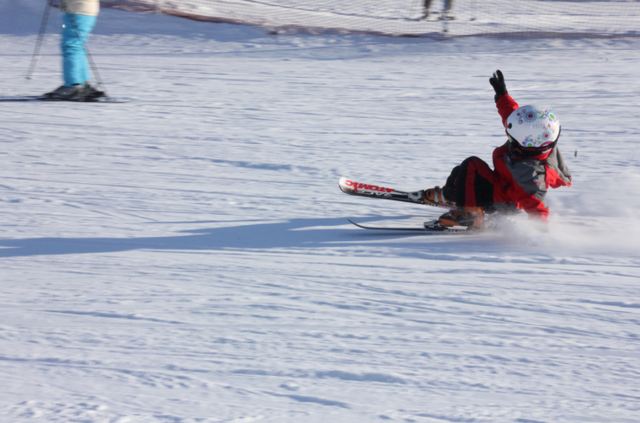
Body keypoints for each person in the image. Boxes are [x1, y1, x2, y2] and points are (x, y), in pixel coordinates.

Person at [410, 70, 572, 229]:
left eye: (511, 137)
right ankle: (450, 196)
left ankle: (470, 215)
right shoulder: (537, 139)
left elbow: (533, 201)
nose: (509, 136)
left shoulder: (530, 172)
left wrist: (540, 229)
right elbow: (511, 116)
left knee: (472, 164)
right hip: (502, 186)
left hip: (503, 203)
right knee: (462, 172)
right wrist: (502, 94)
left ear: (522, 141)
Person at [44, 0, 104, 101]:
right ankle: (83, 84)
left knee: (71, 46)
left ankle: (73, 85)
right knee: (77, 46)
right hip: (85, 10)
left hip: (78, 10)